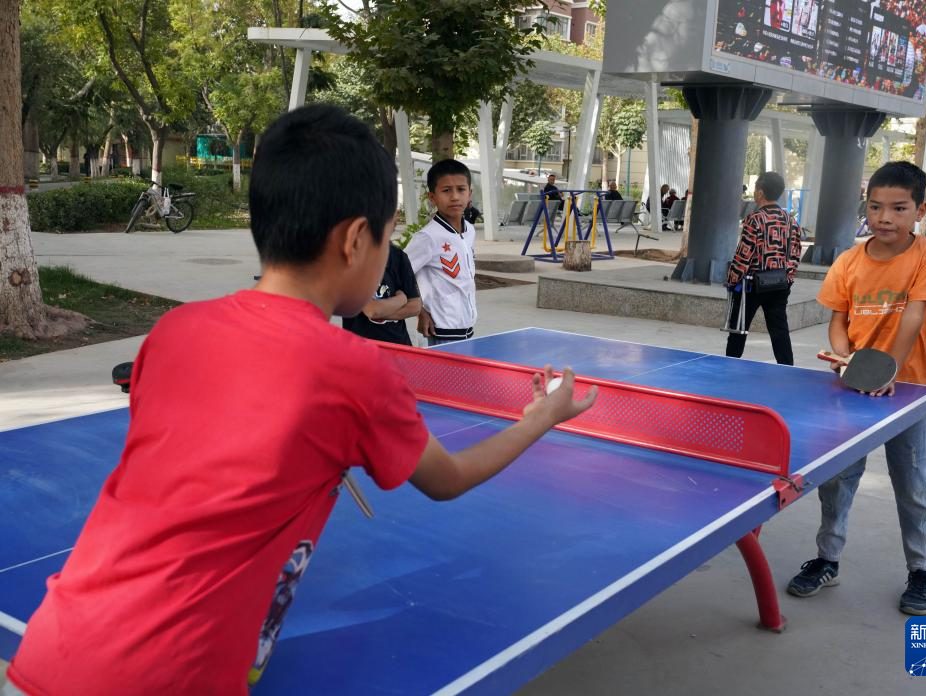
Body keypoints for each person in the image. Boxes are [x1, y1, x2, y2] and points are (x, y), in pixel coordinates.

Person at [3, 104, 598, 696]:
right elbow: (449, 478)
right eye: (386, 237)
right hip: (170, 677)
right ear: (356, 239)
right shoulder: (356, 369)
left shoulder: (174, 329)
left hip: (55, 644)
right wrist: (542, 416)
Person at [785, 161, 926, 616]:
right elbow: (838, 323)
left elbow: (914, 314)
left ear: (919, 211)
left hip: (906, 390)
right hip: (853, 389)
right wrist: (847, 359)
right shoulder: (848, 261)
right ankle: (827, 559)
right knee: (838, 480)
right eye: (875, 207)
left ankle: (922, 570)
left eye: (899, 208)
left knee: (912, 484)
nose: (885, 217)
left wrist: (887, 369)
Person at [724, 171, 801, 365]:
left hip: (752, 285)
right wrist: (788, 278)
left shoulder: (755, 219)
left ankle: (729, 368)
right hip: (780, 283)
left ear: (760, 192)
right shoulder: (790, 220)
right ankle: (787, 368)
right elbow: (795, 253)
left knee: (739, 329)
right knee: (779, 331)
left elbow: (744, 254)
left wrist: (732, 279)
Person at [406, 159, 478, 345]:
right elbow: (399, 273)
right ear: (432, 197)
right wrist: (419, 310)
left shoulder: (470, 230)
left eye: (461, 189)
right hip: (439, 333)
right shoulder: (427, 237)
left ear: (469, 193)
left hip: (467, 329)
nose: (455, 197)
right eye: (446, 190)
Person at [342, 242, 421, 345]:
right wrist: (401, 299)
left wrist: (381, 311)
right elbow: (371, 310)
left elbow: (415, 306)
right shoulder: (353, 257)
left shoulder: (399, 256)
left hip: (400, 346)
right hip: (363, 347)